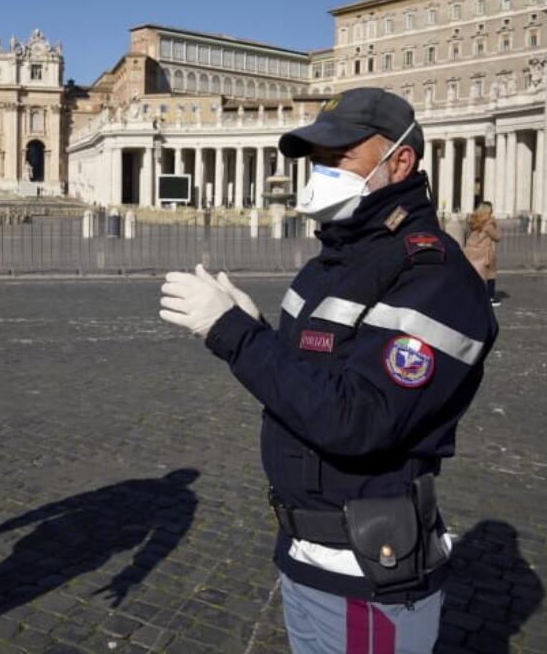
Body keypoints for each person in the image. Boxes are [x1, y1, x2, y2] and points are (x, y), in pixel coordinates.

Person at [159, 88, 496, 653]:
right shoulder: (335, 263)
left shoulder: (434, 275)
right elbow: (308, 379)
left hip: (369, 574)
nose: (320, 170)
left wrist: (234, 335)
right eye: (315, 158)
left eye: (339, 157)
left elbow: (359, 418)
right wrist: (258, 328)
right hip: (306, 554)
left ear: (400, 162)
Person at [464, 202, 502, 307]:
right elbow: (498, 237)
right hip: (483, 254)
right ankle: (489, 297)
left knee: (474, 274)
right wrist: (495, 224)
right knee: (490, 274)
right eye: (491, 211)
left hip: (471, 251)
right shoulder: (489, 225)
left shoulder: (474, 222)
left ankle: (472, 295)